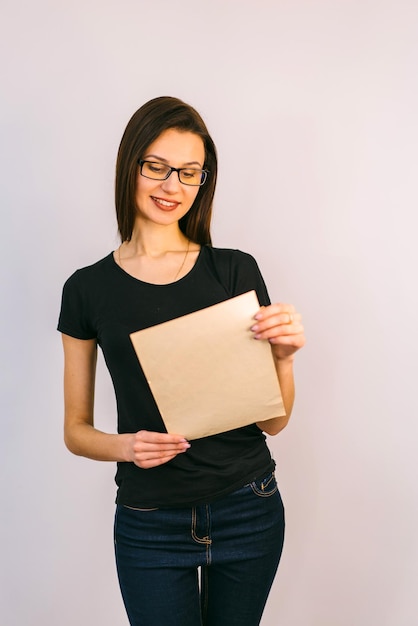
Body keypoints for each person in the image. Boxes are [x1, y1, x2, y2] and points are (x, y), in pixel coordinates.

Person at [58, 96, 305, 626]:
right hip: (150, 521)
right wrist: (127, 446)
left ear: (202, 182)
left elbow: (273, 421)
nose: (172, 186)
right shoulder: (86, 289)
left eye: (189, 173)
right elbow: (75, 430)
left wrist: (283, 361)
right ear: (131, 165)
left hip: (249, 504)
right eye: (157, 167)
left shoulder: (235, 271)